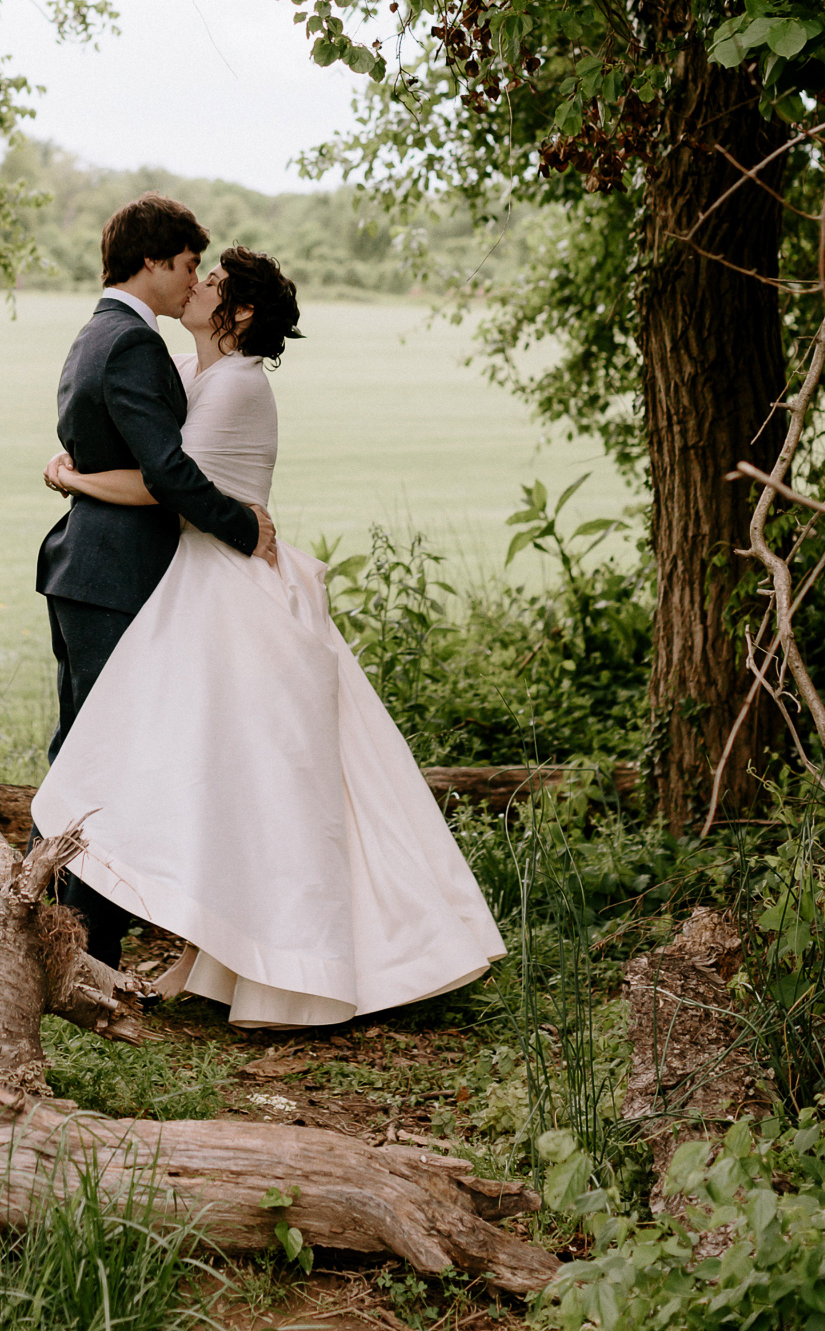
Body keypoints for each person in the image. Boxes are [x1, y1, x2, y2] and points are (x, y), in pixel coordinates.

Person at [32, 245, 504, 1027]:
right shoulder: (196, 373)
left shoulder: (239, 388)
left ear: (240, 311)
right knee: (219, 779)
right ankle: (192, 948)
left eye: (211, 281)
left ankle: (295, 957)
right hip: (199, 585)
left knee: (261, 782)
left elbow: (171, 487)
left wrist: (70, 478)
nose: (196, 285)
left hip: (231, 590)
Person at [35, 194, 278, 969]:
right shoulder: (133, 343)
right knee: (103, 760)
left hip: (87, 568)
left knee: (81, 751)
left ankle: (50, 929)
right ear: (150, 262)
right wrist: (248, 529)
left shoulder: (96, 333)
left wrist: (70, 477)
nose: (190, 281)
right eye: (183, 266)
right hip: (114, 574)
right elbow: (167, 472)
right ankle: (84, 949)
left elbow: (109, 450)